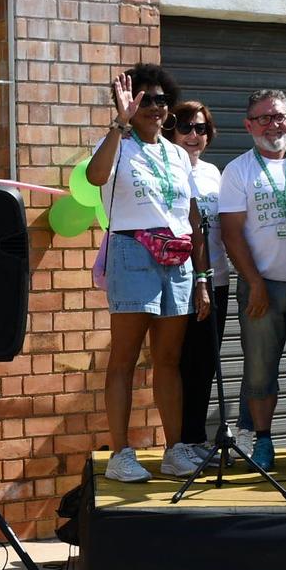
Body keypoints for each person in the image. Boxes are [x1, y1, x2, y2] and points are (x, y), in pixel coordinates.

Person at [88, 64, 211, 483]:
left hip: (176, 259)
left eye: (162, 100)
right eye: (145, 99)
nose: (155, 107)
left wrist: (200, 277)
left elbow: (190, 215)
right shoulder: (116, 144)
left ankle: (175, 451)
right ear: (129, 102)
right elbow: (94, 176)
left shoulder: (177, 153)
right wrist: (119, 125)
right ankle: (121, 453)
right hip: (132, 251)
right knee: (123, 359)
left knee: (170, 360)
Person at [218, 89, 286, 472]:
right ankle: (263, 441)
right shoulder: (238, 170)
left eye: (279, 117)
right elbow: (231, 233)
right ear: (248, 125)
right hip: (263, 286)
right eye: (264, 118)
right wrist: (254, 282)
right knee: (260, 370)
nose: (274, 124)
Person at [170, 101, 230, 462]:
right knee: (179, 363)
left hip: (217, 278)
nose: (194, 135)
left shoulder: (214, 173)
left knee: (205, 363)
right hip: (180, 281)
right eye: (187, 127)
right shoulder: (168, 169)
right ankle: (178, 444)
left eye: (202, 128)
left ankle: (196, 438)